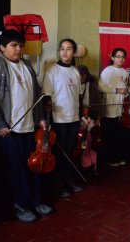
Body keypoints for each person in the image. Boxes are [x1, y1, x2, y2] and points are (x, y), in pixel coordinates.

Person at [0, 29, 52, 223]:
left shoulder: (27, 64)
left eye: (20, 45)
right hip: (9, 130)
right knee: (16, 169)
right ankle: (21, 205)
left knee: (34, 166)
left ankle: (36, 201)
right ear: (2, 47)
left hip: (29, 126)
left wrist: (40, 118)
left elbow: (36, 96)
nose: (18, 49)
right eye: (13, 45)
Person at [42, 38, 84, 198]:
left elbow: (78, 96)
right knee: (59, 154)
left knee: (69, 152)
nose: (65, 52)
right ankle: (58, 184)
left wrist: (81, 116)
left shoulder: (75, 71)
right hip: (59, 120)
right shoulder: (52, 70)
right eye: (62, 49)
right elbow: (47, 97)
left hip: (73, 119)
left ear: (74, 52)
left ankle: (69, 180)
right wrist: (48, 120)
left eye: (69, 49)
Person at [98, 48, 130, 167]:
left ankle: (117, 157)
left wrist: (127, 91)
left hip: (120, 107)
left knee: (118, 135)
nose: (120, 59)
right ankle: (109, 159)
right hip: (109, 107)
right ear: (112, 58)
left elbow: (124, 88)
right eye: (118, 56)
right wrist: (117, 90)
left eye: (122, 57)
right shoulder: (107, 71)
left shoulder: (124, 72)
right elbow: (100, 88)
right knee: (109, 135)